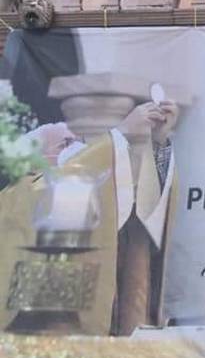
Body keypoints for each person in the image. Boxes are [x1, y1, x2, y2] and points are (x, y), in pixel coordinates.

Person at [0, 99, 179, 336]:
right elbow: (65, 181)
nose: (79, 151)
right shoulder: (19, 194)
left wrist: (157, 143)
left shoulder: (98, 194)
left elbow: (143, 207)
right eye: (66, 143)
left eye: (81, 145)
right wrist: (122, 134)